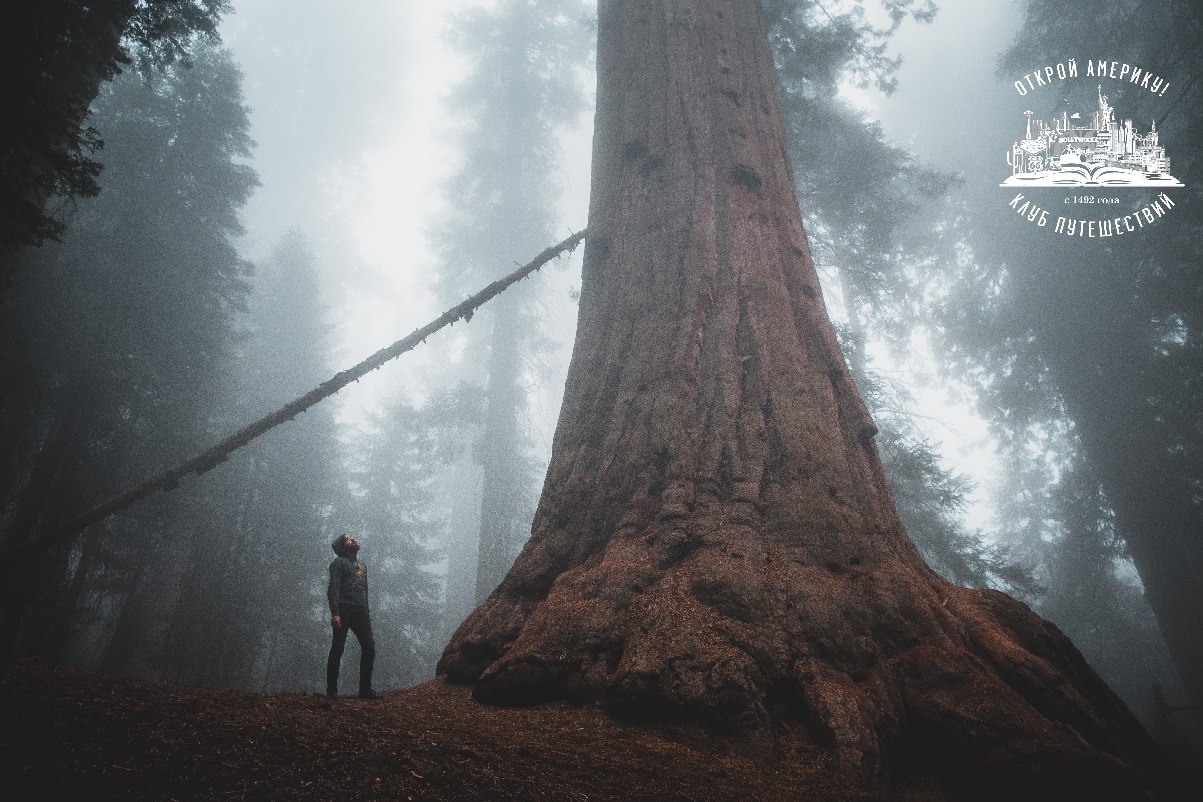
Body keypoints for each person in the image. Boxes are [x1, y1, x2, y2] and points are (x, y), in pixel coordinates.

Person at [326, 533, 380, 700]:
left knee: (369, 647)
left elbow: (365, 590)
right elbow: (333, 589)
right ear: (343, 546)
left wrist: (367, 610)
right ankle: (332, 691)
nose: (353, 539)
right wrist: (335, 613)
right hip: (343, 610)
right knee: (338, 648)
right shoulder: (338, 563)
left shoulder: (362, 564)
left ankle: (365, 690)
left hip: (361, 612)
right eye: (348, 539)